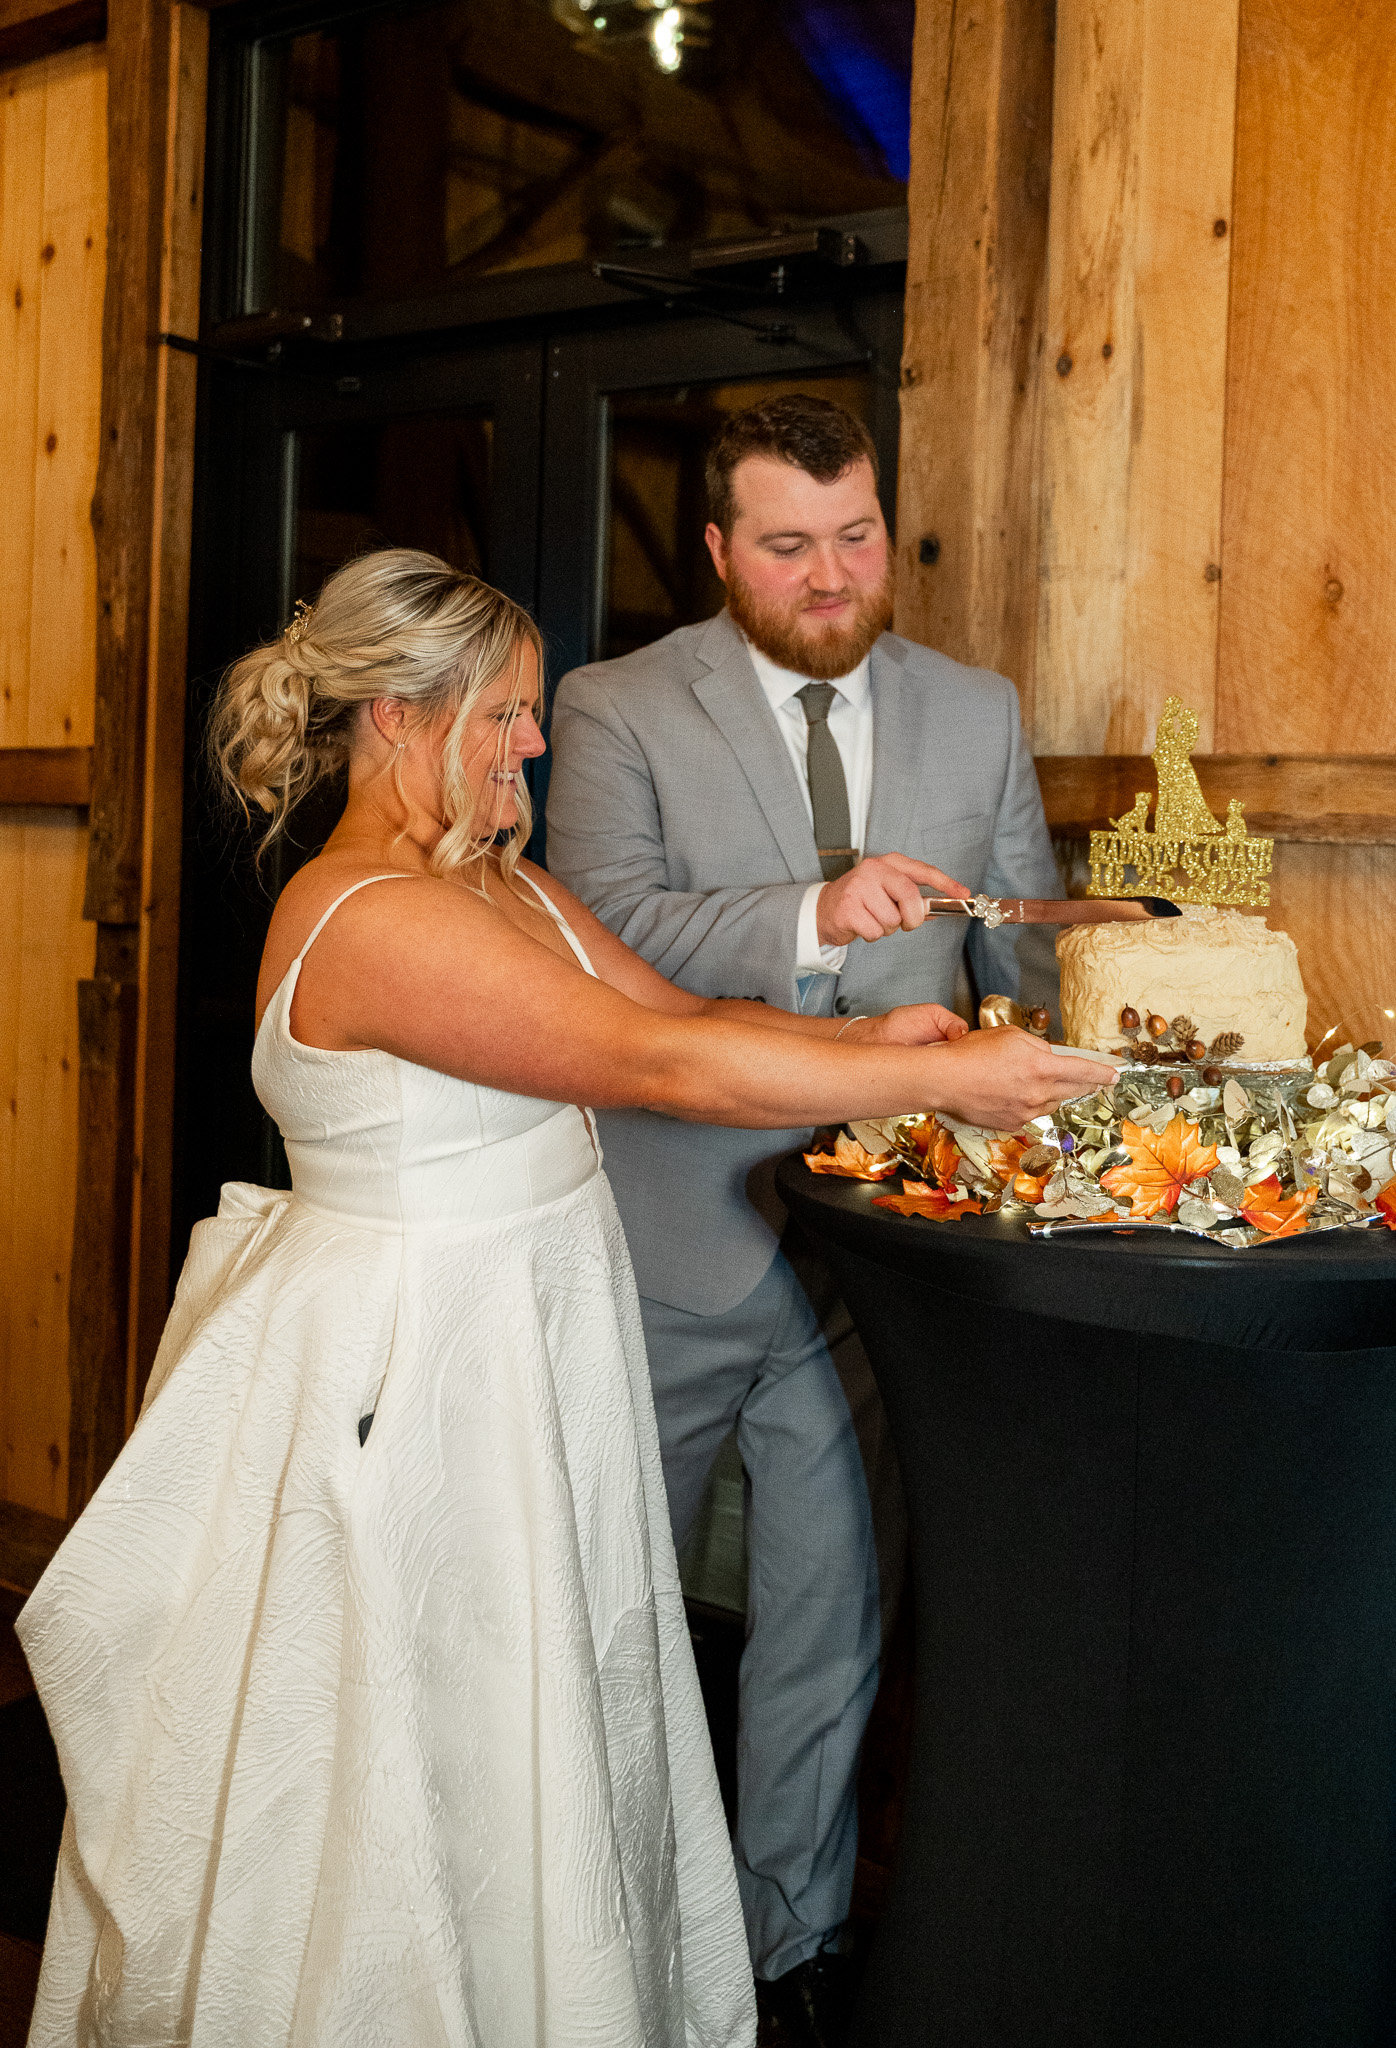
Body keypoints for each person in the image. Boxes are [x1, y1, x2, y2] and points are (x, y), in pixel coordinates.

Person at [18, 549, 1107, 2048]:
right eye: (508, 714)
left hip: (522, 1358)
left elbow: (684, 1017)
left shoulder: (498, 884)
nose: (535, 742)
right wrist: (937, 1080)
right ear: (398, 720)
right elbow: (655, 1073)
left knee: (535, 1732)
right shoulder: (369, 919)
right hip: (418, 1386)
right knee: (418, 1756)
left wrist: (892, 1034)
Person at [545, 394, 1063, 2040]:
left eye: (856, 537)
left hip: (884, 1263)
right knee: (604, 1619)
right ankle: (593, 1940)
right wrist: (812, 917)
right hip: (671, 1242)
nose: (833, 576)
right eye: (788, 544)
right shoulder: (613, 705)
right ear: (716, 550)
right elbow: (602, 935)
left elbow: (1021, 962)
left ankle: (792, 1951)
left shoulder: (976, 711)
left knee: (831, 1632)